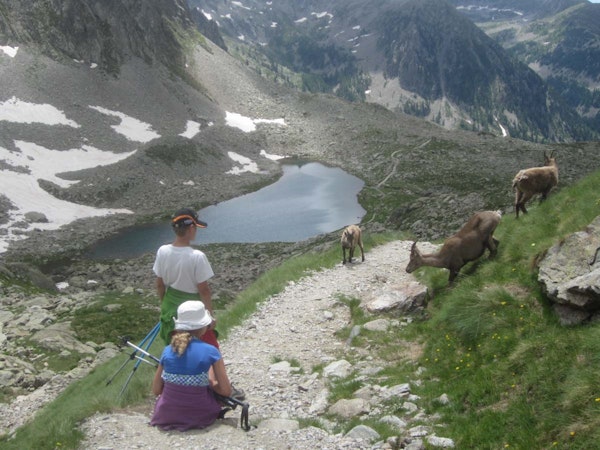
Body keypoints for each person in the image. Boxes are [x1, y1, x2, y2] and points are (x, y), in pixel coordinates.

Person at [150, 300, 232, 430]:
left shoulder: (167, 350)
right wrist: (210, 383)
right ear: (204, 326)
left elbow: (156, 390)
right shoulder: (211, 351)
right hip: (201, 415)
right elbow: (226, 391)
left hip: (166, 414)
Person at [153, 207, 219, 348]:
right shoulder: (197, 257)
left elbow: (159, 284)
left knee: (176, 349)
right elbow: (204, 290)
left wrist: (165, 303)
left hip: (170, 308)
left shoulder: (162, 251)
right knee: (207, 347)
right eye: (195, 227)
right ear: (190, 229)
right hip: (193, 311)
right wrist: (210, 316)